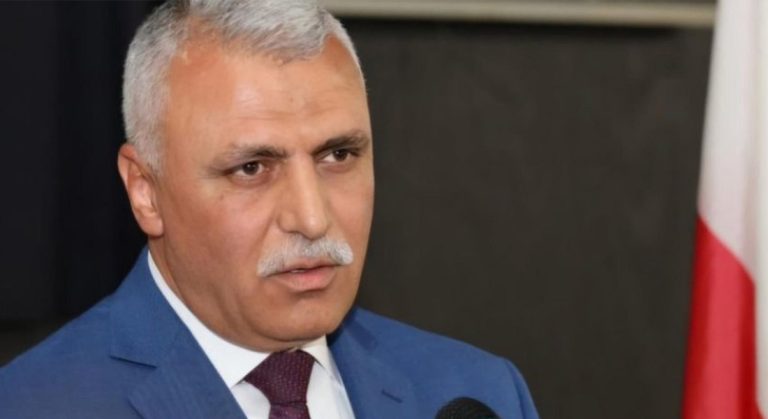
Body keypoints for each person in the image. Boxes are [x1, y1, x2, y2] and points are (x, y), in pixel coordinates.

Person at [0, 1, 538, 418]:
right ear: (146, 191)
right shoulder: (33, 405)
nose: (312, 218)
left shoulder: (478, 393)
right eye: (252, 168)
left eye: (338, 155)